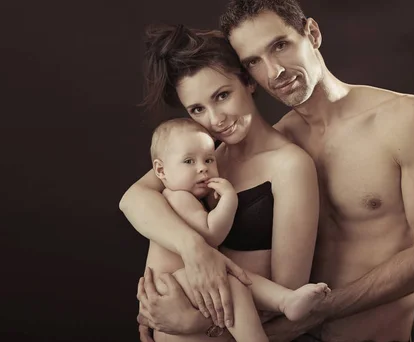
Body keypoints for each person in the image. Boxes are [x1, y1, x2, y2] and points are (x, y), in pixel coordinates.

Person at [134, 1, 414, 341]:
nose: (274, 71)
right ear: (248, 75)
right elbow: (138, 196)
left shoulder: (402, 118)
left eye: (280, 45)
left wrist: (312, 311)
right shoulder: (263, 144)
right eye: (254, 61)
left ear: (313, 33)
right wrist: (186, 272)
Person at [119, 23, 321, 340]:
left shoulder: (290, 165)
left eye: (223, 96)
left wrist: (196, 325)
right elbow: (132, 199)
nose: (215, 120)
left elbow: (288, 301)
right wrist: (195, 249)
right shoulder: (203, 158)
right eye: (198, 109)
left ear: (248, 82)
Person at [141, 117, 330, 342]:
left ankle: (285, 300)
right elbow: (212, 233)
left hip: (183, 292)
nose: (202, 168)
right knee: (229, 281)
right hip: (172, 291)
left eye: (209, 159)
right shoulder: (178, 198)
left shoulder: (183, 197)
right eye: (189, 161)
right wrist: (230, 199)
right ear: (161, 171)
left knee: (232, 275)